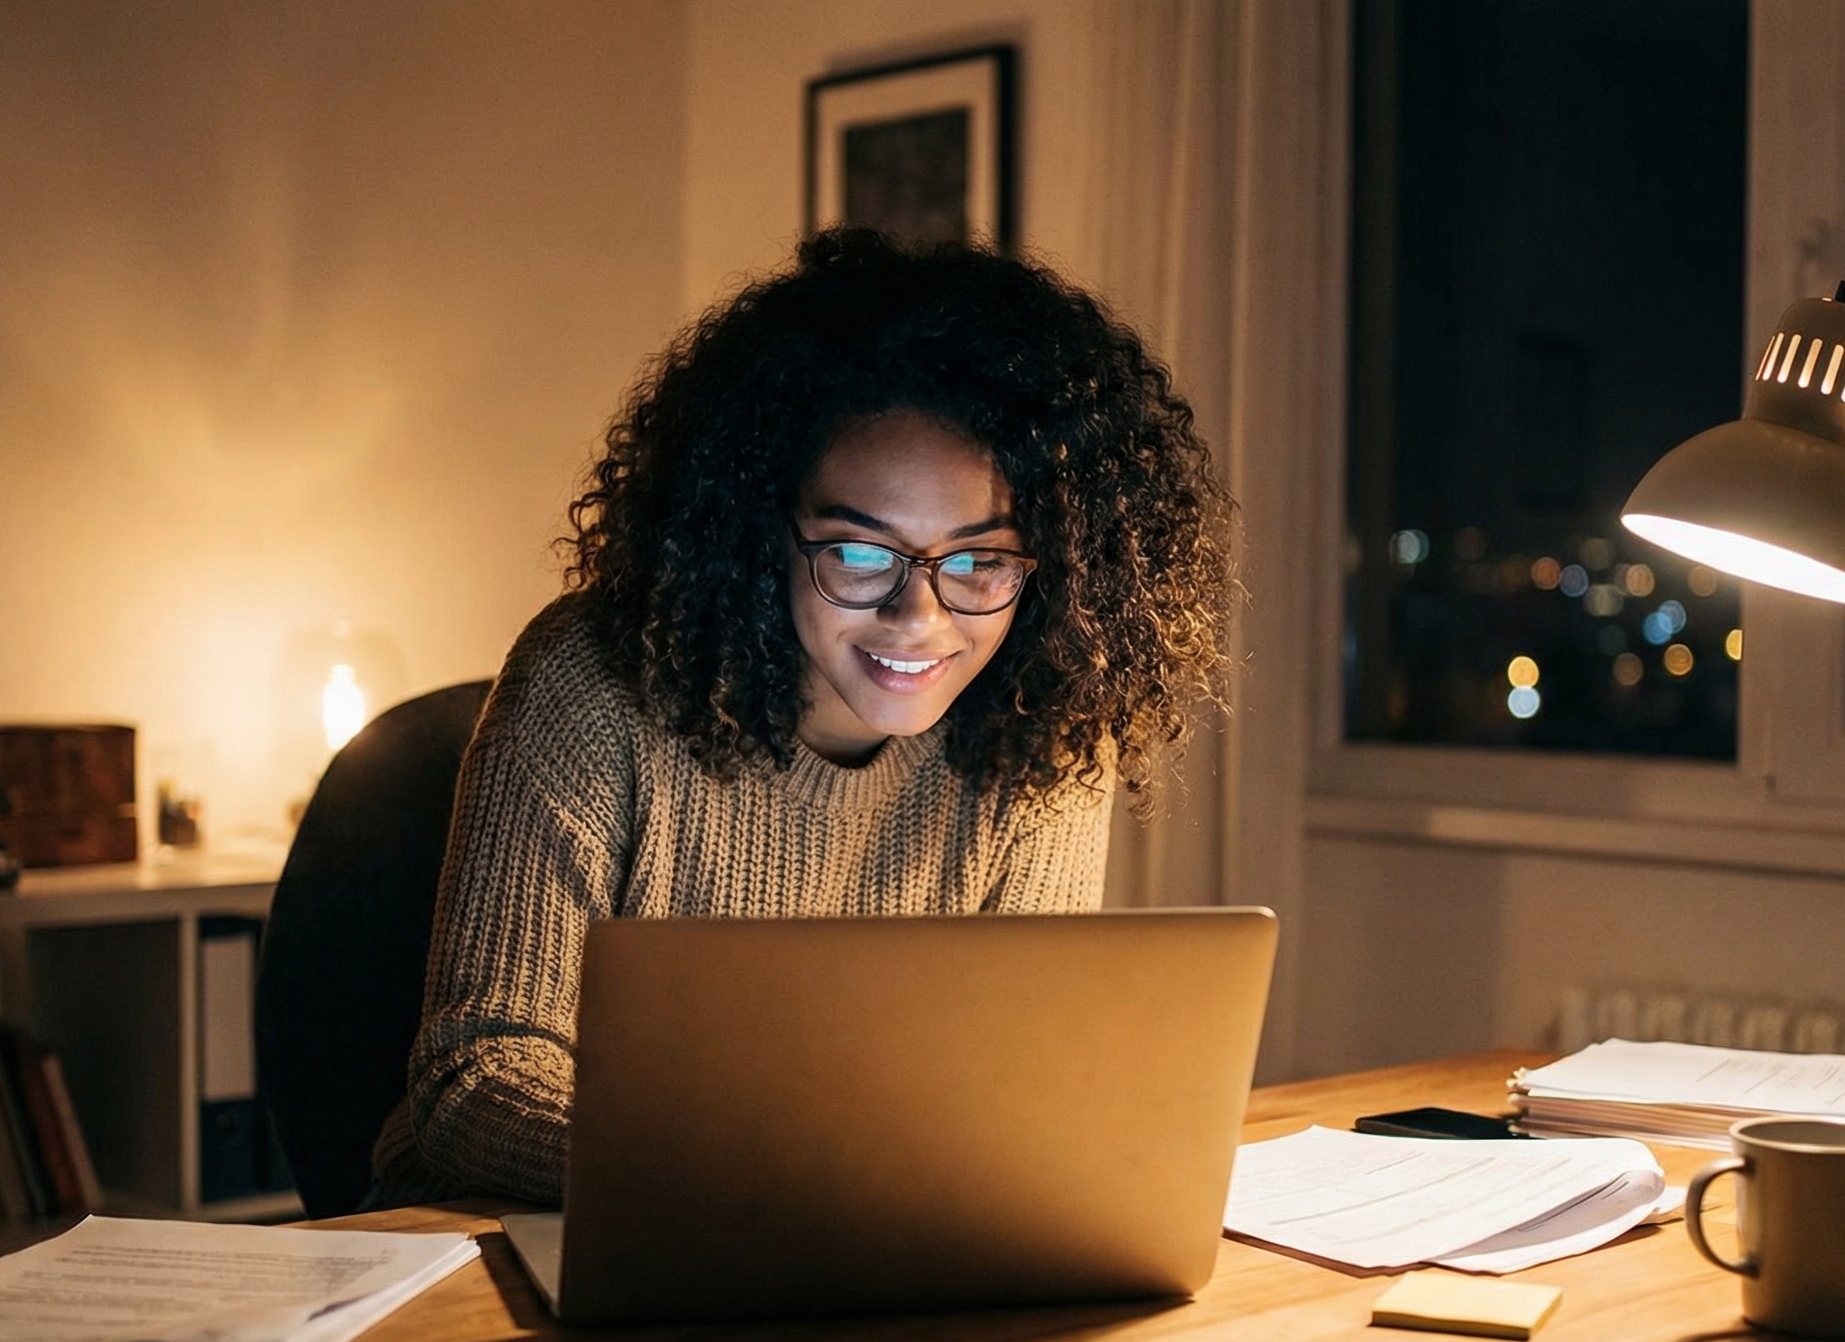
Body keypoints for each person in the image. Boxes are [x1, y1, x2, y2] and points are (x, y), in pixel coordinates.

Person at [369, 229, 1236, 1206]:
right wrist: (772, 1177)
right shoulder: (592, 682)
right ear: (754, 530)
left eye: (979, 562)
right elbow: (474, 1080)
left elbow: (1007, 1079)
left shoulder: (1045, 725)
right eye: (861, 555)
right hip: (526, 1235)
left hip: (860, 1234)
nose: (920, 617)